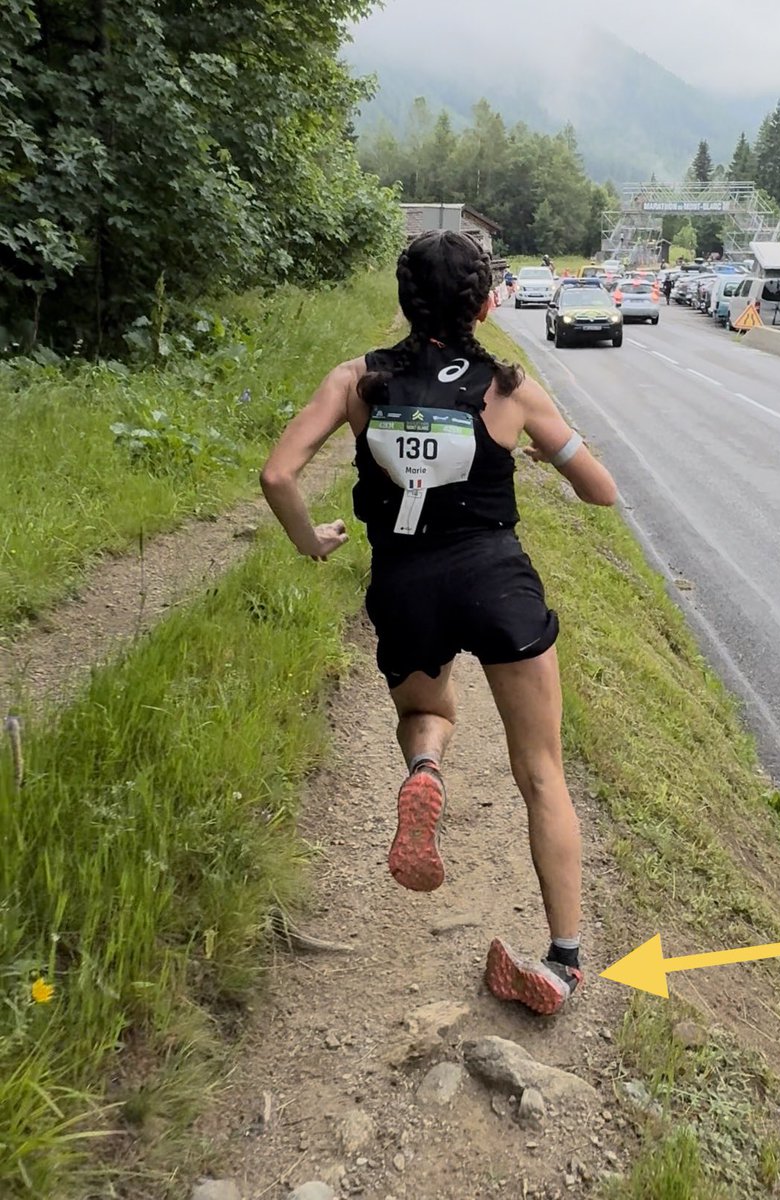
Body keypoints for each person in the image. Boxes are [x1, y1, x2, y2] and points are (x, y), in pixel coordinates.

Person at [260, 230, 617, 1016]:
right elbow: (602, 491)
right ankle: (563, 965)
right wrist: (537, 454)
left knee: (426, 710)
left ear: (402, 300)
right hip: (498, 586)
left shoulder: (359, 380)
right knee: (542, 776)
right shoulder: (511, 388)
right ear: (485, 303)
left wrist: (310, 538)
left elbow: (278, 473)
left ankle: (424, 774)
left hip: (406, 585)